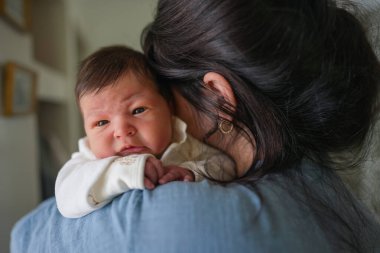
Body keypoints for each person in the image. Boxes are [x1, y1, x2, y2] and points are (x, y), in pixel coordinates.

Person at [11, 0, 380, 252]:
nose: (123, 131)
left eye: (162, 99)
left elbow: (22, 237)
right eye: (102, 121)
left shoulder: (190, 217)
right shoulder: (333, 191)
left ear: (218, 95)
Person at [55, 45, 235, 218]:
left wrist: (191, 172)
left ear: (168, 107)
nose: (122, 131)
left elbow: (225, 165)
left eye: (138, 110)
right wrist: (125, 171)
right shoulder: (88, 159)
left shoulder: (182, 140)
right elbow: (65, 197)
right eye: (102, 122)